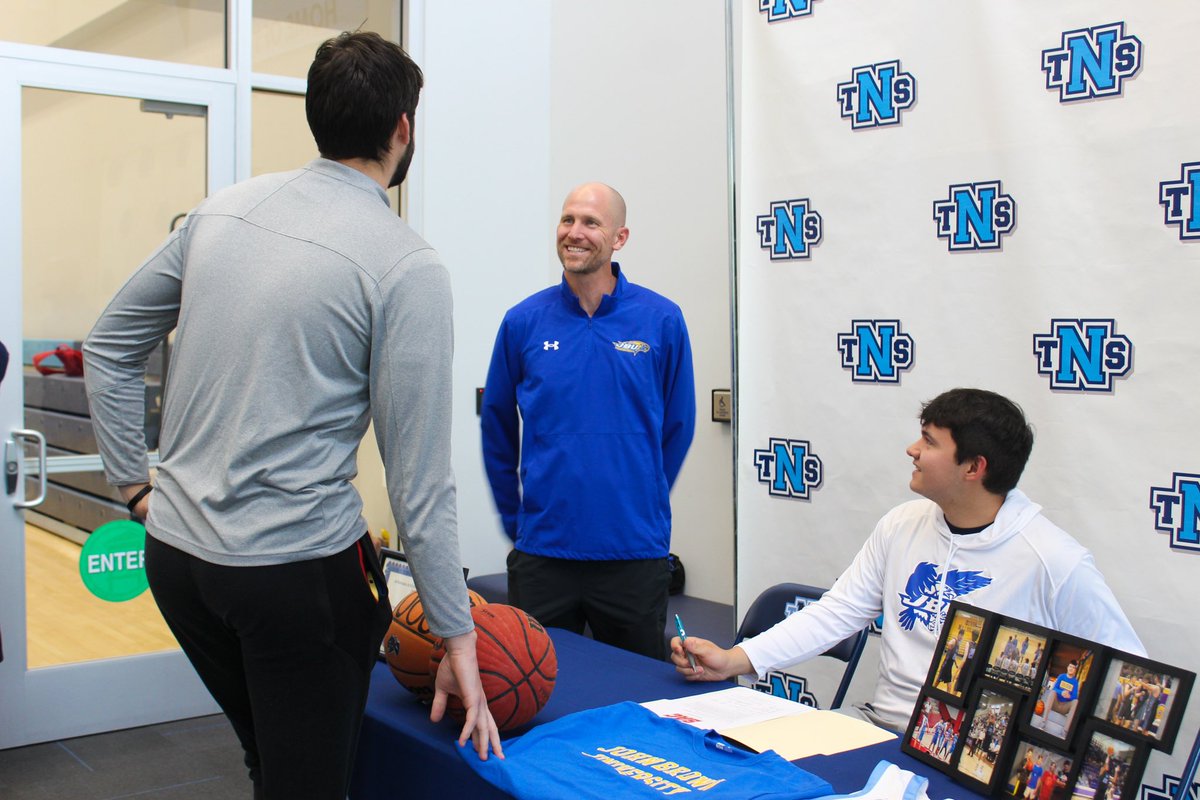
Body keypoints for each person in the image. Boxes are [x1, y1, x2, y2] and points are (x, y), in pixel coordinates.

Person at [83, 31, 500, 799]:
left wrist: (133, 488)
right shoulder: (406, 263)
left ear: (316, 117)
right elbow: (419, 486)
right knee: (306, 781)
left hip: (177, 562)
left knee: (271, 761)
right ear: (402, 130)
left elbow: (108, 344)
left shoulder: (219, 213)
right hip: (293, 579)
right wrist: (459, 633)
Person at [670, 388, 1145, 732]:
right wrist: (735, 659)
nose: (912, 450)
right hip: (879, 728)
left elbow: (1126, 673)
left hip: (976, 761)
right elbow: (838, 612)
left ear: (974, 467)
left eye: (930, 442)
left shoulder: (1054, 560)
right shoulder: (903, 524)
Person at [480, 182, 696, 660]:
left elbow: (678, 427)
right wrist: (516, 519)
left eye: (591, 223)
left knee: (636, 697)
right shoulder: (522, 322)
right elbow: (496, 426)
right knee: (536, 696)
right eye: (567, 219)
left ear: (619, 238)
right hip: (543, 554)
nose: (574, 232)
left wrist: (642, 499)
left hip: (633, 554)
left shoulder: (661, 320)